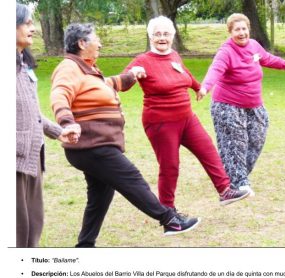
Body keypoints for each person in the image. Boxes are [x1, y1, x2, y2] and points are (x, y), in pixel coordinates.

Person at [50, 23, 200, 246]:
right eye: (96, 38)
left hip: (95, 144)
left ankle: (85, 245)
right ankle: (169, 220)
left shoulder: (86, 69)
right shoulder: (69, 67)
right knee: (131, 177)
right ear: (82, 43)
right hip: (92, 144)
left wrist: (130, 76)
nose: (100, 43)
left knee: (100, 196)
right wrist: (67, 123)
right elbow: (60, 94)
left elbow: (106, 84)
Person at [123, 16, 249, 211]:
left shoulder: (173, 55)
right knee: (170, 167)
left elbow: (184, 73)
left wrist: (198, 87)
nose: (162, 38)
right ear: (150, 37)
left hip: (186, 118)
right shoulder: (143, 61)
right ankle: (168, 212)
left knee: (208, 150)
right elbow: (124, 83)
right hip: (160, 123)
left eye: (166, 34)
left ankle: (225, 191)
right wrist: (132, 75)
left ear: (172, 36)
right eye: (157, 34)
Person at [198, 13, 285, 196]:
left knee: (257, 138)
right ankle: (238, 182)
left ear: (248, 29)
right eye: (237, 30)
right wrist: (205, 87)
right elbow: (216, 69)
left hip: (254, 104)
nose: (242, 33)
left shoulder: (254, 46)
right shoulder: (226, 51)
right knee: (235, 143)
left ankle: (232, 174)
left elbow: (268, 59)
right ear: (230, 32)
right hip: (227, 105)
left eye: (244, 29)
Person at [16, 3, 81, 247]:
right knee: (17, 233)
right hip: (14, 162)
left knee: (32, 226)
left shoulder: (22, 65)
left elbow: (31, 113)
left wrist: (59, 131)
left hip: (32, 158)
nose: (33, 28)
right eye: (27, 23)